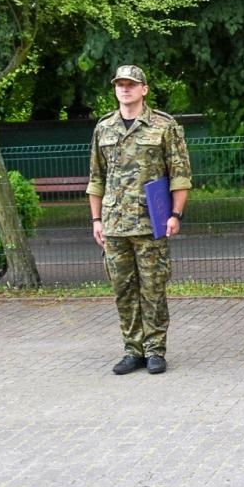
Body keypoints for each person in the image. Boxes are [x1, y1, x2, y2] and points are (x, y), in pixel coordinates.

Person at [88, 65, 192, 375]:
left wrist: (176, 214)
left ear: (144, 89)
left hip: (151, 222)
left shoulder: (164, 126)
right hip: (115, 224)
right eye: (120, 84)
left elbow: (180, 174)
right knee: (123, 289)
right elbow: (96, 178)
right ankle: (132, 348)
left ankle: (155, 349)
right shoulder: (104, 128)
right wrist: (96, 219)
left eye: (131, 84)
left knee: (153, 288)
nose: (125, 89)